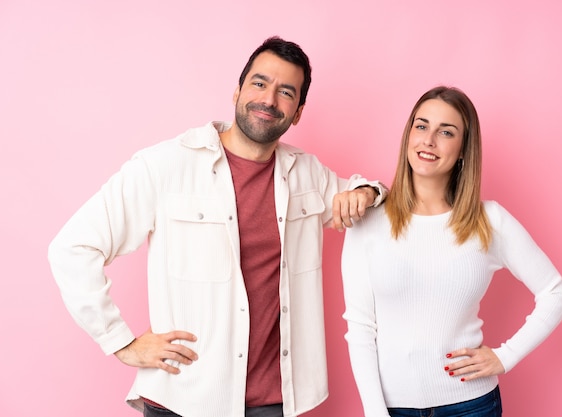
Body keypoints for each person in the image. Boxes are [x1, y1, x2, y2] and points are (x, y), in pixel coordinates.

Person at [48, 36, 386, 417]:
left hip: (274, 404)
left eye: (285, 92)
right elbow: (72, 248)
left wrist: (367, 192)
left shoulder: (306, 173)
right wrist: (120, 342)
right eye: (259, 83)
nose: (269, 99)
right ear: (237, 90)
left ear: (298, 111)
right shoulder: (166, 165)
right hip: (184, 399)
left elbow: (367, 194)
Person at [340, 86, 562, 417]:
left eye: (446, 132)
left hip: (472, 405)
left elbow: (556, 293)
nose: (429, 140)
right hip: (393, 408)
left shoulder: (489, 220)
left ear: (463, 149)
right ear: (408, 135)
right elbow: (360, 327)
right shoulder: (368, 218)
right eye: (421, 126)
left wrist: (505, 356)